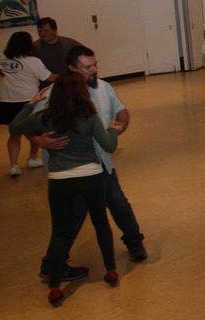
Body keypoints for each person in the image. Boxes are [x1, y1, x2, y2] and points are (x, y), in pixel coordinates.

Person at [31, 46, 148, 278]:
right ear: (72, 68)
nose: (94, 70)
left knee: (118, 204)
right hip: (68, 169)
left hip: (101, 164)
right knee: (72, 217)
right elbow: (29, 125)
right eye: (87, 67)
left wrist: (119, 126)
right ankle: (53, 263)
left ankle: (134, 242)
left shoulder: (104, 88)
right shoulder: (54, 93)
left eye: (95, 64)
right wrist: (39, 140)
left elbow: (122, 112)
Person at [10, 73, 122, 306]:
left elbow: (14, 127)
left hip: (60, 179)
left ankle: (54, 286)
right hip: (91, 175)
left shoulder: (46, 117)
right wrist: (113, 129)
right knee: (100, 223)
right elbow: (109, 145)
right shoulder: (88, 116)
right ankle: (111, 271)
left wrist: (30, 105)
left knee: (61, 231)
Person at [0, 31, 55, 176]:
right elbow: (49, 77)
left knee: (14, 134)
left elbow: (3, 75)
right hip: (29, 101)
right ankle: (32, 158)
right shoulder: (34, 61)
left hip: (6, 102)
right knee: (35, 131)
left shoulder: (2, 62)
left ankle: (13, 166)